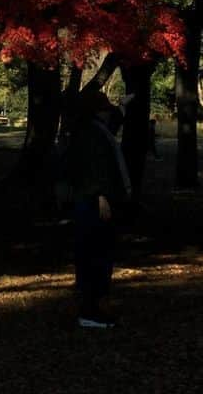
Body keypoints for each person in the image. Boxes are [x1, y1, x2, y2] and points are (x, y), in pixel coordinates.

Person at [63, 88, 133, 330]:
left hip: (89, 199)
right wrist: (101, 194)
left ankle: (92, 306)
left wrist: (122, 107)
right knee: (95, 254)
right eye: (104, 108)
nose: (107, 112)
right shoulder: (89, 133)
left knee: (94, 253)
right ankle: (90, 309)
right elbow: (93, 165)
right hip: (93, 200)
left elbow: (110, 127)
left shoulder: (90, 128)